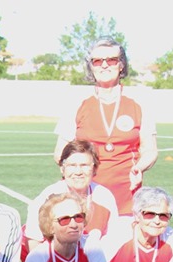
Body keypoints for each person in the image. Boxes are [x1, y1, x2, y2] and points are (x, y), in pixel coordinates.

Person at [52, 37, 158, 216]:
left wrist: (138, 168)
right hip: (85, 196)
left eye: (111, 60)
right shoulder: (77, 103)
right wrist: (80, 173)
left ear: (121, 64)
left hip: (127, 194)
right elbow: (59, 153)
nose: (104, 65)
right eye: (97, 61)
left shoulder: (139, 102)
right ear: (91, 66)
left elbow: (150, 150)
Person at [23, 139, 118, 261]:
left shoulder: (104, 197)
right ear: (62, 169)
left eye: (84, 166)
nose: (78, 172)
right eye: (72, 166)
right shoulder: (48, 198)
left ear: (94, 169)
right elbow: (34, 243)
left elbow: (112, 240)